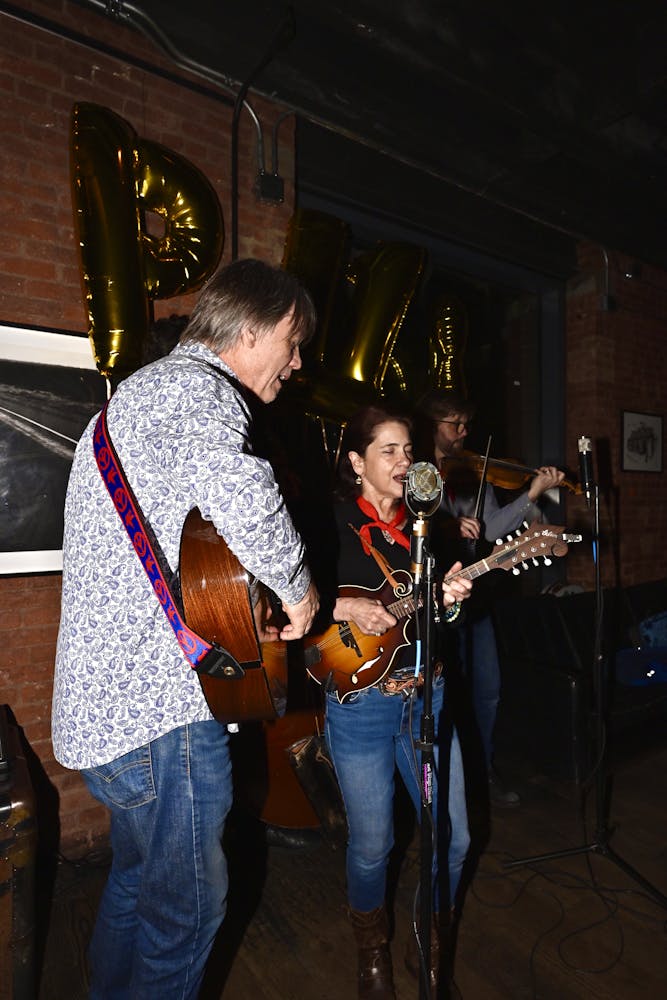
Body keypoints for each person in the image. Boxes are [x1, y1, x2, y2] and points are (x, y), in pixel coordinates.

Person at [51, 258, 320, 999]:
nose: (296, 364)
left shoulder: (134, 399)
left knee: (136, 889)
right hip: (162, 714)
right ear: (253, 329)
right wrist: (299, 592)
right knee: (186, 917)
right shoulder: (196, 390)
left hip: (110, 716)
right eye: (292, 343)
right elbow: (244, 494)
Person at [318, 404, 472, 999]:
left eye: (409, 450)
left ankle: (430, 944)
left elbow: (443, 621)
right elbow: (281, 598)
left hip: (425, 701)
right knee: (374, 845)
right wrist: (345, 606)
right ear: (358, 462)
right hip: (361, 708)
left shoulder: (426, 527)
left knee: (452, 837)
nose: (405, 461)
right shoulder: (324, 524)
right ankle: (372, 953)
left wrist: (451, 600)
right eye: (390, 451)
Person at [417, 389, 564, 806]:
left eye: (466, 423)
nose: (464, 432)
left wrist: (533, 493)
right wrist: (445, 526)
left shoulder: (471, 473)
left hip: (473, 594)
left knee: (488, 688)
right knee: (443, 693)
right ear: (432, 425)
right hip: (430, 600)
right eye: (454, 424)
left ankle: (482, 771)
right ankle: (443, 781)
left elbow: (494, 529)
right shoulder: (414, 472)